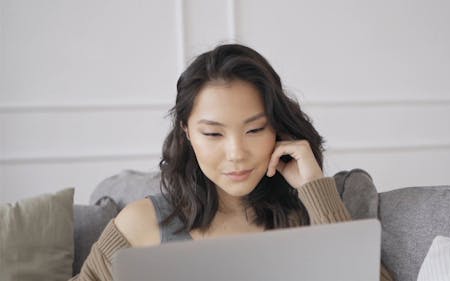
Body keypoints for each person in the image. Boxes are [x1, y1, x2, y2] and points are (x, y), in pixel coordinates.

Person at [71, 44, 393, 281]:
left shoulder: (304, 221)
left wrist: (315, 190)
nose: (237, 152)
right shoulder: (143, 223)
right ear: (187, 133)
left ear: (277, 129)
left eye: (254, 129)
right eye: (213, 134)